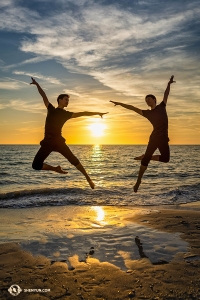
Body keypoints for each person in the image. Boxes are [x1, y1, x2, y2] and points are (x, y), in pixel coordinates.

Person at [30, 77, 108, 189]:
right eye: (66, 99)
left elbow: (83, 113)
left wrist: (97, 113)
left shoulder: (66, 114)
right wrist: (37, 84)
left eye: (68, 100)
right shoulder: (51, 109)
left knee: (73, 160)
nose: (68, 101)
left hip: (58, 141)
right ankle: (55, 169)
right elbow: (44, 96)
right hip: (47, 141)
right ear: (60, 100)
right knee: (36, 165)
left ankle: (88, 178)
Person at [110, 75, 175, 192]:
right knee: (145, 162)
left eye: (149, 99)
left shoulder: (162, 106)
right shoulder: (147, 113)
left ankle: (146, 156)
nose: (147, 101)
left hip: (164, 138)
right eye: (146, 101)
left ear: (154, 99)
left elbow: (166, 94)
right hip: (155, 138)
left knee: (166, 159)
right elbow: (132, 108)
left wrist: (169, 84)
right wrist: (119, 103)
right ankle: (138, 181)